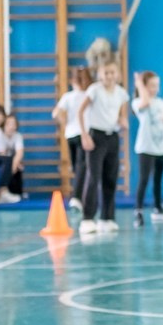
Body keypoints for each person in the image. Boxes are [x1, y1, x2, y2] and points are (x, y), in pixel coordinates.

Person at [78, 59, 130, 235]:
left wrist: (123, 122)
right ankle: (87, 218)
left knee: (111, 178)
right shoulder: (94, 90)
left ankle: (107, 217)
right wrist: (85, 135)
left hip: (112, 137)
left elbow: (122, 116)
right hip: (96, 136)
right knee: (93, 177)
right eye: (105, 73)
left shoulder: (122, 93)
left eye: (112, 72)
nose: (109, 76)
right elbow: (80, 111)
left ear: (117, 74)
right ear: (100, 75)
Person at [130, 70, 163, 226]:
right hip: (146, 147)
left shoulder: (161, 102)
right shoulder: (138, 102)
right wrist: (139, 83)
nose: (155, 89)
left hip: (161, 146)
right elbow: (145, 103)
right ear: (144, 87)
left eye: (157, 85)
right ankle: (138, 210)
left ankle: (158, 208)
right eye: (151, 85)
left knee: (158, 179)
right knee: (144, 179)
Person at [53, 66, 94, 215]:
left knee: (78, 167)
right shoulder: (89, 95)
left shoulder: (68, 96)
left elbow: (55, 113)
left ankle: (79, 195)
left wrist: (63, 121)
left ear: (72, 81)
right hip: (84, 133)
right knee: (82, 166)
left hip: (71, 134)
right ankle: (78, 197)